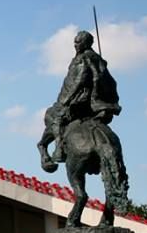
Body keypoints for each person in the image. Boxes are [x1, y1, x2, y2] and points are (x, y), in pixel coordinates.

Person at [45, 30, 121, 162]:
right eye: (75, 42)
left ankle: (59, 149)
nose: (75, 45)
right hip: (99, 103)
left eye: (78, 42)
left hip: (82, 101)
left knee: (56, 116)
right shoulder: (98, 59)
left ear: (86, 43)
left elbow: (80, 80)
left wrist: (67, 99)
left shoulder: (82, 59)